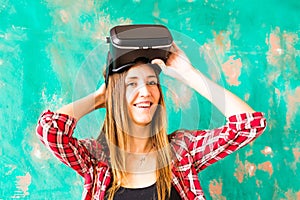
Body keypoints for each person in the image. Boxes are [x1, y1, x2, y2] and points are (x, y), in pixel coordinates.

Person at [36, 42, 267, 200]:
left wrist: (190, 75)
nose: (145, 92)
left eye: (152, 82)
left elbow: (249, 124)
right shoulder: (96, 159)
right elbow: (50, 130)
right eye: (132, 84)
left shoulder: (180, 150)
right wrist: (99, 97)